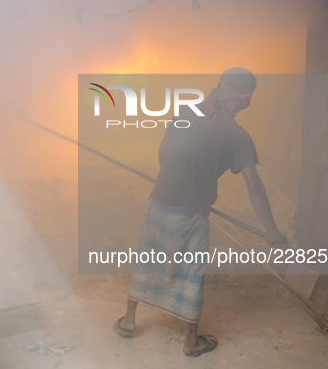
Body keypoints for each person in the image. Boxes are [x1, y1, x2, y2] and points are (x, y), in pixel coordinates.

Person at [113, 67, 288, 357]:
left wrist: (173, 176)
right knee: (191, 273)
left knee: (147, 257)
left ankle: (129, 321)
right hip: (191, 214)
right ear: (245, 100)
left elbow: (163, 152)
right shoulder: (238, 136)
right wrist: (272, 231)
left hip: (159, 199)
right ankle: (191, 342)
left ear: (220, 88)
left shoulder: (187, 110)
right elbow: (254, 186)